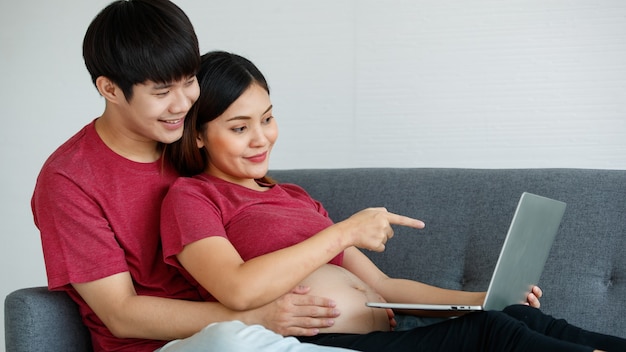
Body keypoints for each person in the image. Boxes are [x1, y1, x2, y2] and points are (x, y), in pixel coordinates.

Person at [160, 50, 626, 352]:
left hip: (385, 334)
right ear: (198, 135)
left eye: (267, 118)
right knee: (494, 336)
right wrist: (342, 232)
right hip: (323, 345)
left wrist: (485, 298)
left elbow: (387, 286)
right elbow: (237, 289)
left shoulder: (292, 197)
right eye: (239, 128)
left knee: (511, 316)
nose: (261, 139)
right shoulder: (192, 196)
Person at [31, 2, 355, 352]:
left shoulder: (189, 139)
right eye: (162, 92)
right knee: (230, 341)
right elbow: (120, 313)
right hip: (168, 344)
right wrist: (254, 316)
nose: (182, 104)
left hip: (258, 323)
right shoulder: (68, 179)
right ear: (110, 90)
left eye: (189, 82)